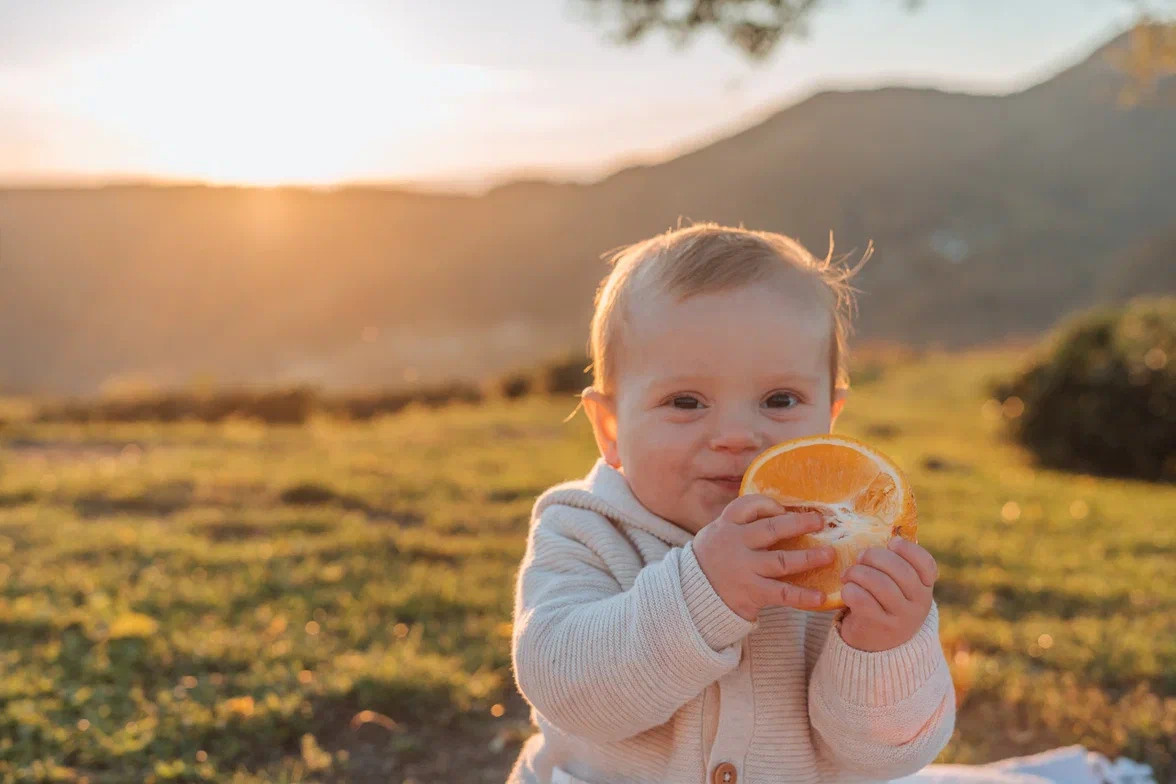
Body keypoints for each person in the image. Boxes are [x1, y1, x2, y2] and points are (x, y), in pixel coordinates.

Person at [507, 223, 955, 784]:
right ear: (611, 428)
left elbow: (885, 759)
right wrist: (703, 593)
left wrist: (882, 651)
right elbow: (566, 689)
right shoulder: (583, 530)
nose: (738, 435)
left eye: (780, 399)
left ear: (829, 420)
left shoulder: (848, 556)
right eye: (686, 401)